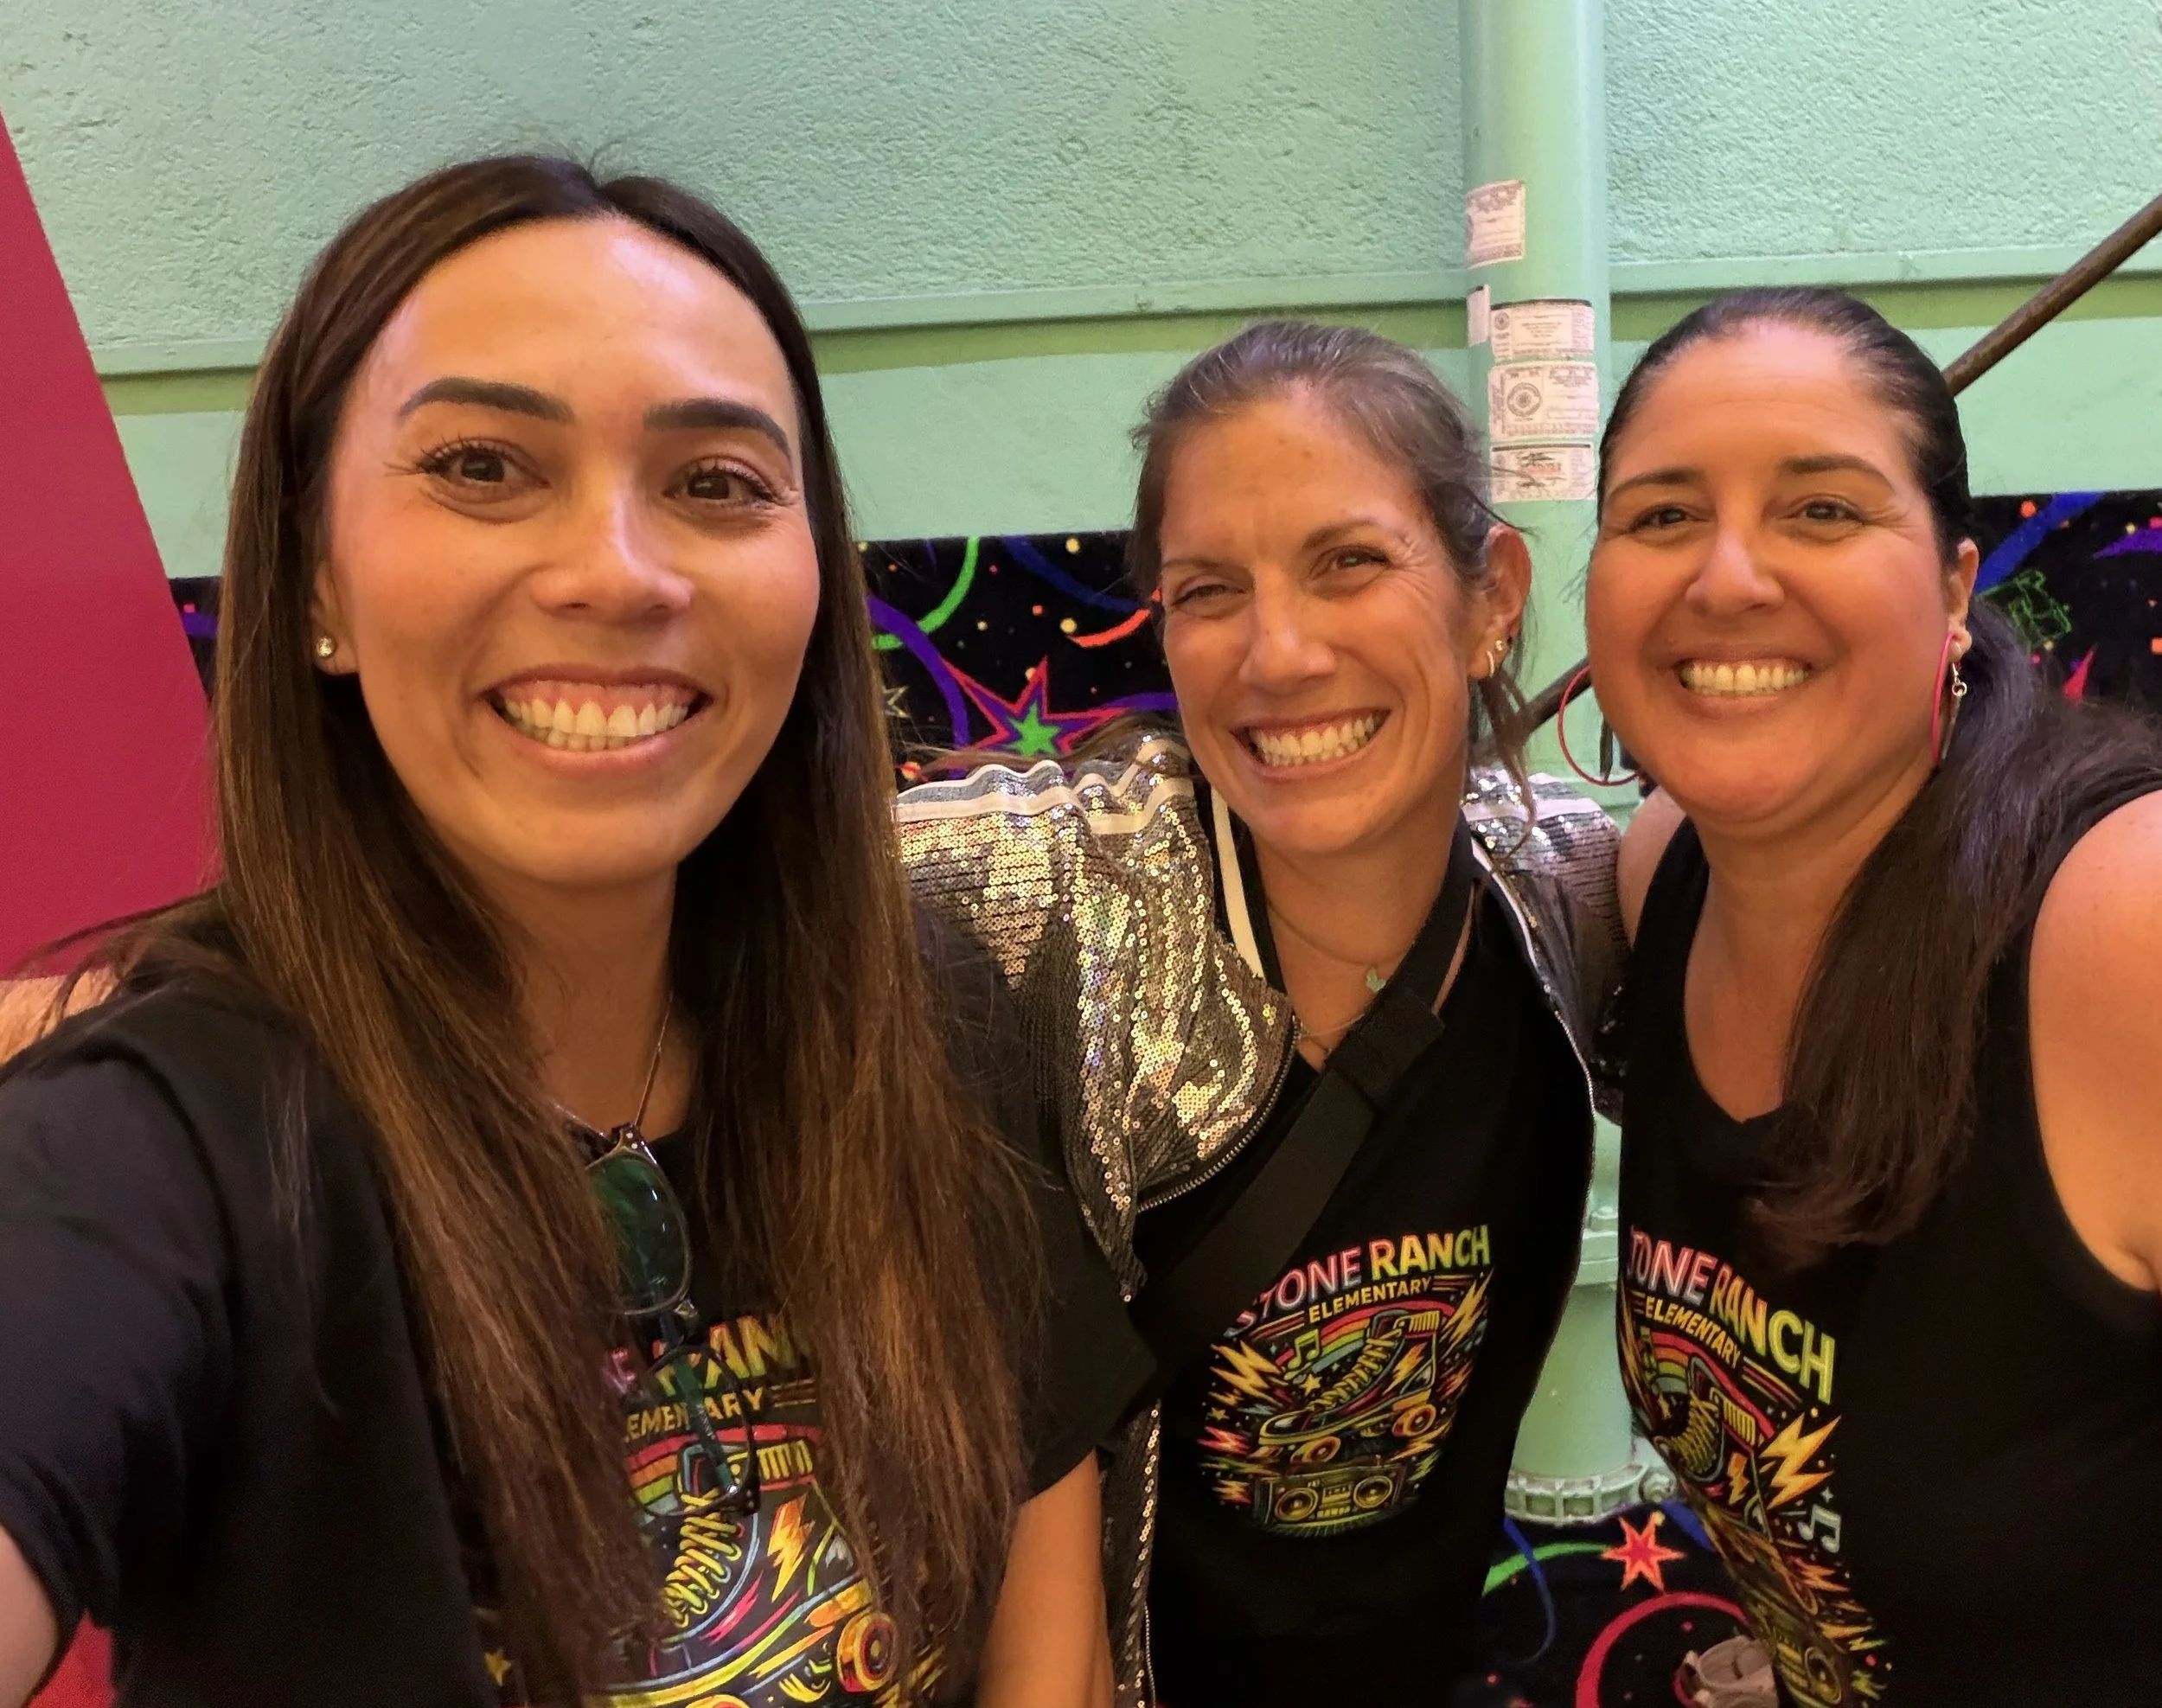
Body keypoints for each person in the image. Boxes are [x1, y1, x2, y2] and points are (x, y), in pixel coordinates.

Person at [0, 157, 1147, 1708]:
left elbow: (1040, 1608)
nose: (618, 571)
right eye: (482, 465)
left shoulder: (928, 1014)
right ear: (317, 577)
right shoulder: (168, 1144)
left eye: (717, 482)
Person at [897, 321, 1625, 1707]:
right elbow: (762, 865)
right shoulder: (1058, 888)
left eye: (1348, 561)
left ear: (1492, 597)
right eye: (1209, 591)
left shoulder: (1561, 904)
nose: (1278, 654)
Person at [1590, 288, 2162, 1706]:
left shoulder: (2119, 921)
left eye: (1823, 510)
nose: (1727, 575)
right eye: (1663, 514)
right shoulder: (1661, 875)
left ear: (1957, 588)